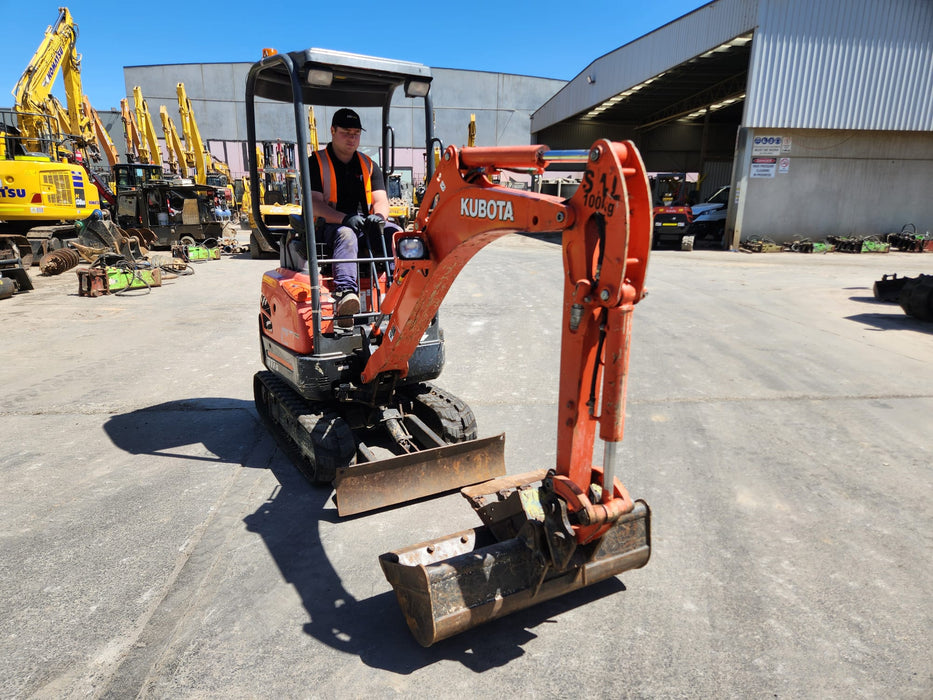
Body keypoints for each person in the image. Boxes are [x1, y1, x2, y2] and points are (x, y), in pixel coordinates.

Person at [302, 108, 400, 328]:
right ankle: (347, 295)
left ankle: (401, 286)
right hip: (329, 227)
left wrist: (380, 217)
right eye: (346, 132)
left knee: (396, 234)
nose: (352, 137)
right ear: (333, 131)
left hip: (365, 225)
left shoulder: (369, 164)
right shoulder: (315, 163)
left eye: (356, 133)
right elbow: (314, 204)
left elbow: (381, 200)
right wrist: (344, 219)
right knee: (347, 235)